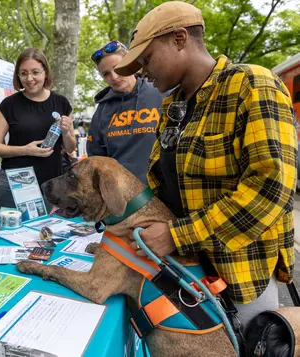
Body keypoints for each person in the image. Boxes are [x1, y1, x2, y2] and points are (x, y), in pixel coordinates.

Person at [115, 1, 297, 327]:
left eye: (146, 58)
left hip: (240, 278)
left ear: (180, 39)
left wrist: (177, 235)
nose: (142, 70)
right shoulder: (173, 105)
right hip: (185, 271)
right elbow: (168, 187)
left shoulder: (253, 84)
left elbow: (271, 189)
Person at [0, 48, 76, 209]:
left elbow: (71, 147)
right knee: (13, 233)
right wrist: (26, 150)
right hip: (15, 185)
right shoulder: (9, 105)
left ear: (45, 73)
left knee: (52, 232)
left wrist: (66, 131)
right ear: (18, 76)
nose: (29, 79)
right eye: (23, 73)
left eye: (35, 72)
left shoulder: (61, 103)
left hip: (53, 184)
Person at [87, 40, 167, 184]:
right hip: (122, 194)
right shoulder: (102, 110)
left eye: (117, 68)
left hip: (162, 190)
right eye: (106, 74)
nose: (114, 77)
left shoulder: (161, 92)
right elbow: (96, 158)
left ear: (130, 63)